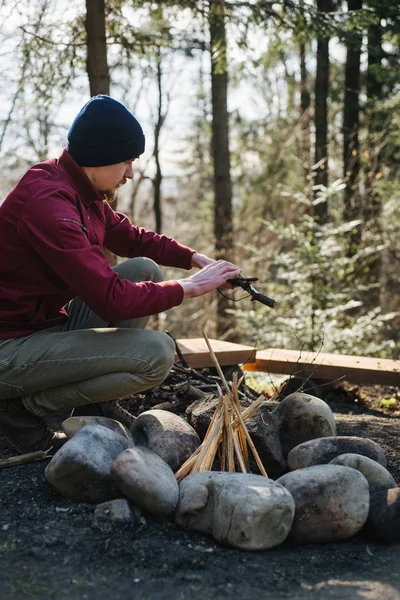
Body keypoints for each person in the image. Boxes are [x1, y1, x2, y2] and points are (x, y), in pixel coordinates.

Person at [0, 95, 242, 455]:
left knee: (145, 268)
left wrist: (194, 259)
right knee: (156, 355)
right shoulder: (49, 205)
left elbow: (130, 238)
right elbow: (110, 300)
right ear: (98, 158)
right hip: (9, 348)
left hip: (41, 326)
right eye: (127, 161)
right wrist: (188, 289)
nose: (130, 172)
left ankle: (88, 403)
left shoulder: (82, 189)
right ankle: (19, 411)